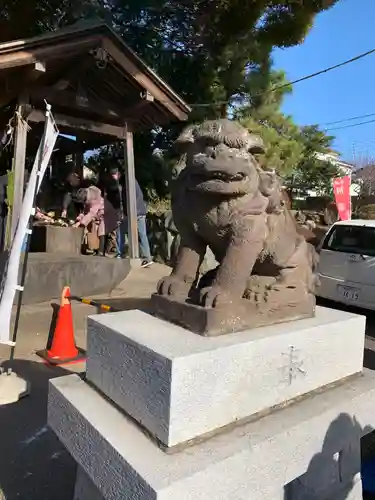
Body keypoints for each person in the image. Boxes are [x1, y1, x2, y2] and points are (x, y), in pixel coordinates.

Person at [105, 167, 152, 267]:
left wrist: (125, 213)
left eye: (114, 175)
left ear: (118, 173)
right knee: (139, 233)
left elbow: (127, 199)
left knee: (129, 231)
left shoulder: (127, 182)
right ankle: (145, 257)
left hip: (134, 213)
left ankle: (122, 254)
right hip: (136, 212)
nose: (113, 177)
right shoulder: (130, 181)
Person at [73, 186, 118, 256]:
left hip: (107, 215)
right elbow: (85, 211)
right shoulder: (89, 199)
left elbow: (91, 213)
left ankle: (101, 251)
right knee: (100, 231)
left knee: (101, 231)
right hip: (101, 215)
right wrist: (78, 219)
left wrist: (81, 223)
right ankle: (102, 250)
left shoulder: (95, 200)